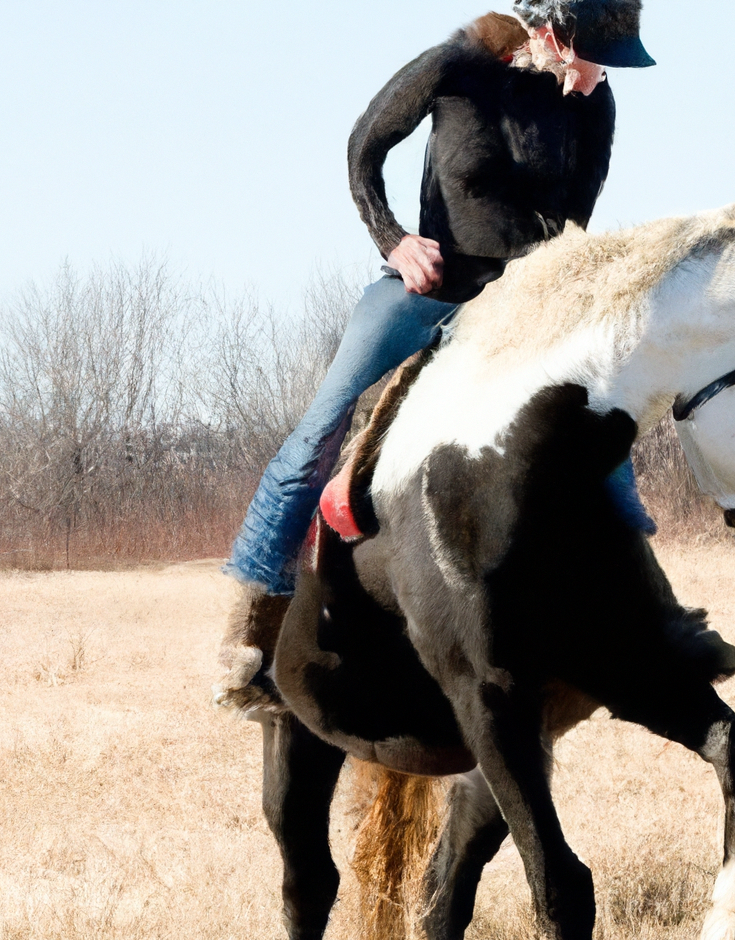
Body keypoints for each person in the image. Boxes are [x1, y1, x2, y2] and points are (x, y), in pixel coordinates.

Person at [217, 0, 655, 707]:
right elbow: (365, 142)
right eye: (595, 55)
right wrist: (392, 238)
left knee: (605, 434)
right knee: (320, 428)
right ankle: (253, 632)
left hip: (514, 304)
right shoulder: (458, 66)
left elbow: (577, 224)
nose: (601, 76)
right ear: (553, 31)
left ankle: (644, 613)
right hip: (423, 290)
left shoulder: (592, 105)